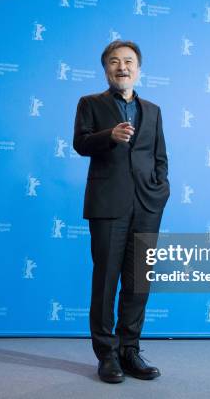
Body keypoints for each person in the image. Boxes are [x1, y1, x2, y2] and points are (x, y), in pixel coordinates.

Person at [73, 41, 169, 383]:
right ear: (106, 69)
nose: (122, 67)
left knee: (138, 282)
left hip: (146, 207)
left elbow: (160, 158)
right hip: (107, 205)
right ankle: (107, 355)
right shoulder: (90, 104)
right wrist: (109, 136)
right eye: (114, 62)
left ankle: (130, 350)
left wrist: (159, 193)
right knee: (106, 281)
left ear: (139, 69)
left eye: (128, 61)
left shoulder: (154, 110)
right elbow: (81, 143)